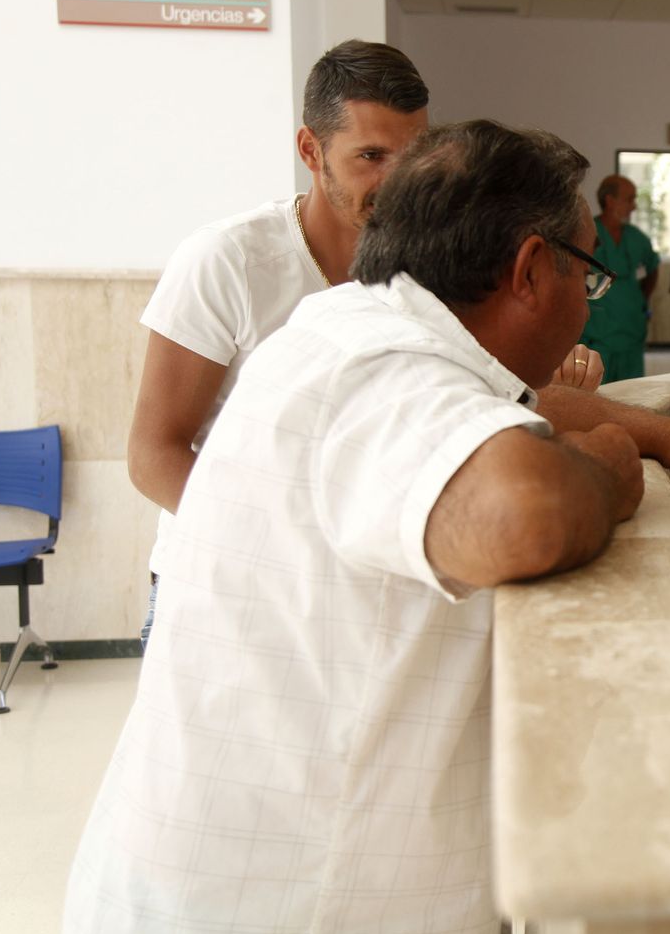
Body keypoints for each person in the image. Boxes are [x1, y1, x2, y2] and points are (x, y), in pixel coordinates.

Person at [63, 120, 670, 934]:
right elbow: (523, 516)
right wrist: (612, 467)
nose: (586, 305)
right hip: (281, 905)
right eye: (589, 280)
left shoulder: (354, 330)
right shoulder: (382, 369)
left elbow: (530, 406)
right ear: (532, 271)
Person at [127, 40, 603, 649]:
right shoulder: (227, 260)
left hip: (362, 589)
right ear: (310, 150)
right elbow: (153, 452)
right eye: (371, 156)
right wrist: (290, 553)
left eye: (411, 156)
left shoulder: (427, 264)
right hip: (227, 578)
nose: (394, 179)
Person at [579, 174, 659, 382]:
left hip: (631, 327)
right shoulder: (586, 232)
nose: (634, 206)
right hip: (598, 330)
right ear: (610, 200)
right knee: (596, 391)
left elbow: (652, 267)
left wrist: (640, 300)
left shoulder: (636, 238)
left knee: (632, 393)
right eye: (629, 199)